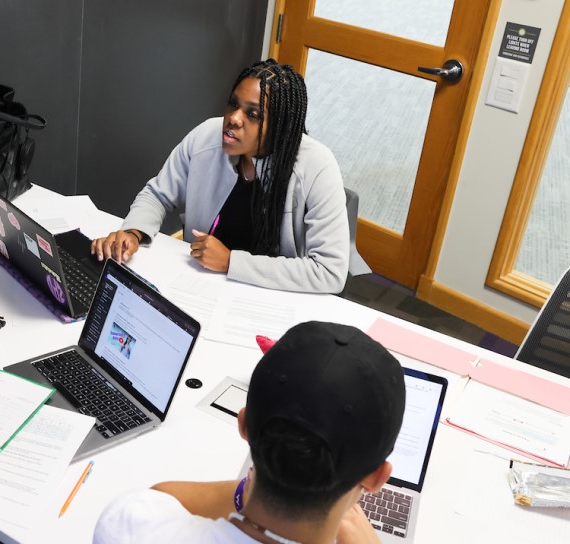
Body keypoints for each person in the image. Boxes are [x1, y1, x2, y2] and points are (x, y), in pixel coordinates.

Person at [93, 321, 406, 544]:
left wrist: (262, 480)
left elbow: (160, 496)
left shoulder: (130, 524)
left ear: (243, 425)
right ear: (377, 478)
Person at [91, 59, 349, 294]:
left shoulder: (317, 166)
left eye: (253, 114)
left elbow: (329, 271)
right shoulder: (206, 137)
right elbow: (158, 195)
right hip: (199, 285)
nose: (233, 119)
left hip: (276, 295)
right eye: (234, 104)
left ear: (281, 128)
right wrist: (133, 232)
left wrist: (230, 262)